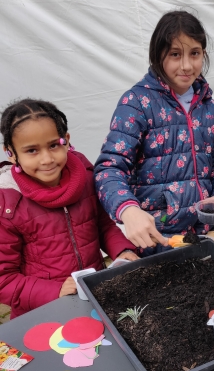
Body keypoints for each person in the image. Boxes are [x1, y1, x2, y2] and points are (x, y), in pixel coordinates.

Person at [94, 11, 214, 253]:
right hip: (154, 241)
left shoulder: (210, 108)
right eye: (174, 54)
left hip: (203, 237)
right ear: (157, 56)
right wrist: (128, 210)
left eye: (195, 53)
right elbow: (109, 169)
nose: (186, 66)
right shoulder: (136, 103)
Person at [0, 99, 138, 319]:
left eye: (53, 145)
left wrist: (122, 250)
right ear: (11, 153)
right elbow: (4, 280)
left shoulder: (85, 175)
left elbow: (102, 226)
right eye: (32, 150)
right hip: (44, 312)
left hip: (95, 296)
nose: (47, 159)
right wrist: (55, 291)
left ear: (67, 140)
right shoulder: (7, 204)